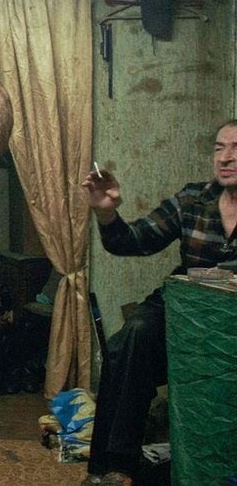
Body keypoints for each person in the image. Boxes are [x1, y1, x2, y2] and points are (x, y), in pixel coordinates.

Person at [80, 118, 237, 486]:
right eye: (219, 148)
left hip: (230, 319)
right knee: (131, 339)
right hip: (184, 306)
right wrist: (106, 211)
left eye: (236, 149)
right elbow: (133, 241)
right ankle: (115, 467)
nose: (225, 157)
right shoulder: (193, 199)